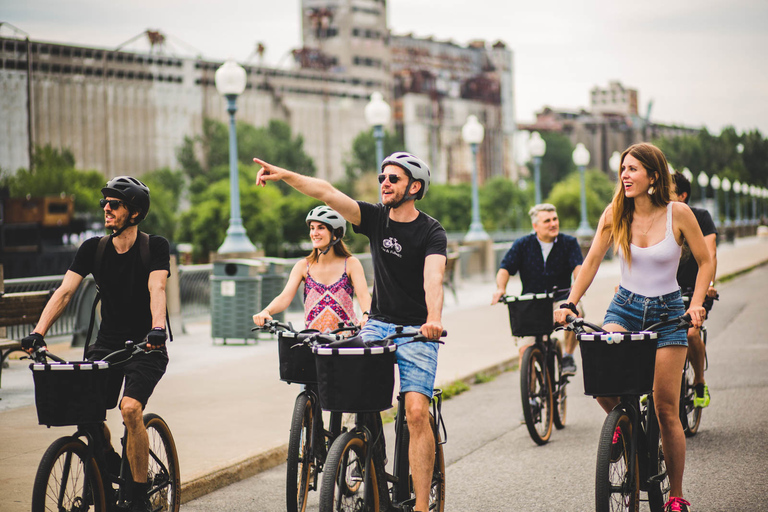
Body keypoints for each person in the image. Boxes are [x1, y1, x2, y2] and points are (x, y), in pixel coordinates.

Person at [254, 151, 446, 512]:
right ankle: (369, 458)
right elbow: (326, 192)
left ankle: (421, 506)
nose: (384, 183)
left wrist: (432, 319)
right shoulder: (375, 218)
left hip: (417, 329)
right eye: (382, 178)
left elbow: (433, 277)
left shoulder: (431, 231)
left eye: (394, 178)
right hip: (378, 325)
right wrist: (284, 174)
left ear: (415, 187)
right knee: (354, 395)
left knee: (416, 411)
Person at [554, 143, 713, 512]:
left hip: (668, 312)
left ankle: (675, 494)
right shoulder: (615, 214)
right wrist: (570, 302)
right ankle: (627, 432)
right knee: (603, 379)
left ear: (653, 176)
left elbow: (705, 262)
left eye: (633, 169)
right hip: (624, 307)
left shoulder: (679, 213)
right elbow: (592, 259)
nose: (624, 175)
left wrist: (696, 305)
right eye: (623, 169)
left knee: (665, 407)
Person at [22, 176, 170, 512]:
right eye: (105, 203)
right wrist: (38, 332)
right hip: (107, 345)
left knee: (130, 409)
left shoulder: (155, 246)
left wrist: (158, 328)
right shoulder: (94, 248)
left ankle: (137, 495)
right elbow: (65, 292)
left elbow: (157, 288)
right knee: (84, 412)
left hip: (147, 346)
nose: (106, 208)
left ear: (133, 212)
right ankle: (105, 468)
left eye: (114, 204)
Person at [491, 203, 583, 375]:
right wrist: (500, 289)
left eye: (555, 219)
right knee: (525, 349)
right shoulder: (522, 244)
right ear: (535, 226)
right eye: (547, 221)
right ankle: (531, 396)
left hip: (561, 299)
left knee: (575, 313)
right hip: (532, 303)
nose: (553, 223)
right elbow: (505, 269)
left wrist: (578, 286)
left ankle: (568, 356)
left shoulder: (568, 243)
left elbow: (579, 268)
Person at [252, 205, 371, 332]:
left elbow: (363, 296)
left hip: (345, 341)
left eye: (321, 228)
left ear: (336, 233)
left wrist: (366, 315)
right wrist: (266, 311)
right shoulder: (303, 266)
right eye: (312, 228)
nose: (314, 233)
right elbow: (285, 297)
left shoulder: (351, 263)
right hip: (313, 341)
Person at [672, 172, 718, 408]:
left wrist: (709, 285)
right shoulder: (660, 216)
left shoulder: (700, 217)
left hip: (695, 288)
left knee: (691, 333)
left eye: (669, 191)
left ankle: (699, 380)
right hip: (668, 289)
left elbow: (709, 253)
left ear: (682, 195)